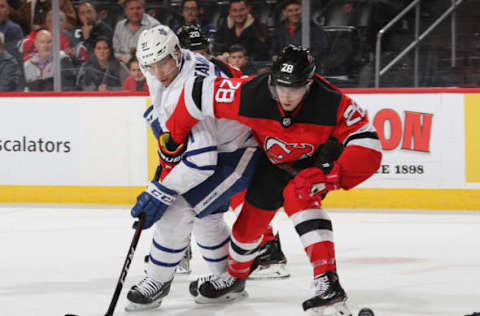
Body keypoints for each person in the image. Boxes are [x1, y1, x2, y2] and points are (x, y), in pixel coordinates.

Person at [162, 44, 382, 315]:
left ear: (310, 83)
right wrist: (174, 138)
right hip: (272, 162)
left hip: (315, 163)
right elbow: (197, 94)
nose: (286, 96)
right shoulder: (251, 92)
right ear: (272, 79)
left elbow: (369, 147)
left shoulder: (333, 103)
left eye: (295, 88)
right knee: (247, 227)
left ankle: (327, 281)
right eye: (281, 87)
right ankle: (235, 276)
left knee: (299, 196)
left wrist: (331, 174)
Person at [124, 24, 260, 312]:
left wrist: (160, 191)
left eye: (164, 63)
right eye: (151, 65)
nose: (159, 72)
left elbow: (203, 160)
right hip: (220, 148)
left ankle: (157, 280)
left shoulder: (190, 86)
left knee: (176, 209)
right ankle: (227, 279)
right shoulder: (170, 66)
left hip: (238, 152)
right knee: (206, 215)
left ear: (176, 52)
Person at [177, 24, 291, 281]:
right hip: (229, 142)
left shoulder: (194, 73)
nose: (198, 55)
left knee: (223, 195)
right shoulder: (223, 68)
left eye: (200, 49)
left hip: (232, 143)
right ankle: (266, 249)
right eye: (193, 50)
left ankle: (267, 249)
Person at [271, 0, 328, 68]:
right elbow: (274, 51)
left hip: (308, 69)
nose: (294, 13)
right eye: (290, 11)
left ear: (302, 10)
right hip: (284, 69)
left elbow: (321, 50)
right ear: (284, 13)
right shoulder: (279, 30)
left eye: (297, 10)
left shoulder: (315, 29)